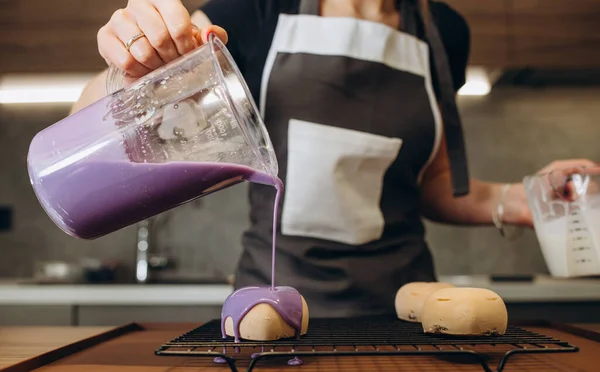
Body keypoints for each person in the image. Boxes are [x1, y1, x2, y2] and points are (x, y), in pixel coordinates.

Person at [72, 0, 596, 318]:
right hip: (267, 304)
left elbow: (433, 182)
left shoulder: (445, 33)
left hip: (406, 310)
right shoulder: (257, 10)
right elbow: (94, 117)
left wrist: (526, 199)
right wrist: (131, 66)